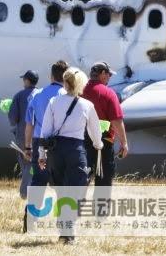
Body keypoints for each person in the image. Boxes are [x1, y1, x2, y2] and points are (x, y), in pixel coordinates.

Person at [38, 67, 103, 244]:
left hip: (56, 151)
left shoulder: (53, 101)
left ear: (65, 83)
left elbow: (45, 131)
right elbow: (95, 132)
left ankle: (63, 231)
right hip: (76, 150)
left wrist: (42, 154)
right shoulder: (87, 105)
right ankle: (69, 232)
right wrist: (99, 145)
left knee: (61, 190)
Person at [21, 60, 68, 232]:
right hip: (61, 143)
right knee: (62, 184)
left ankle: (30, 223)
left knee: (38, 182)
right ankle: (63, 224)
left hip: (39, 141)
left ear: (50, 76)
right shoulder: (68, 95)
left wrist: (27, 147)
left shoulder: (37, 94)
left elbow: (29, 125)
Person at [81, 61, 129, 186]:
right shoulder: (108, 93)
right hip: (103, 142)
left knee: (80, 179)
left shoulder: (78, 91)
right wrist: (124, 143)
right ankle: (100, 206)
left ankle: (74, 205)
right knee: (103, 181)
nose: (109, 78)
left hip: (80, 141)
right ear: (102, 73)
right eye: (109, 75)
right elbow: (116, 121)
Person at [8, 70, 39, 199]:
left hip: (22, 134)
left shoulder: (19, 96)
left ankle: (25, 193)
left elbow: (13, 119)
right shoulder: (41, 94)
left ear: (27, 80)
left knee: (26, 164)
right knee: (36, 163)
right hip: (40, 135)